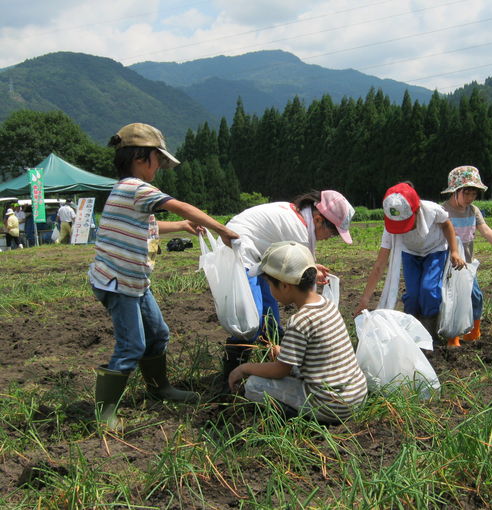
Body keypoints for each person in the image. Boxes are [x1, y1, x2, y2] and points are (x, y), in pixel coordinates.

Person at [89, 122, 240, 428]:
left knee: (158, 334)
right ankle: (104, 413)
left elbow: (150, 226)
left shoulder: (127, 192)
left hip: (134, 282)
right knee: (131, 344)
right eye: (157, 158)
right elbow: (182, 206)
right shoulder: (136, 188)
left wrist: (182, 228)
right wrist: (222, 229)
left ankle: (160, 388)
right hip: (118, 283)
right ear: (141, 157)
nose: (159, 165)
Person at [221, 189, 355, 383]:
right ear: (318, 219)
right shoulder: (300, 230)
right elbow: (295, 267)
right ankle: (232, 376)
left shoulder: (301, 220)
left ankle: (275, 364)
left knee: (271, 320)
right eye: (333, 231)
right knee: (250, 321)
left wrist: (310, 268)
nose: (330, 237)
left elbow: (292, 258)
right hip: (239, 251)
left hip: (260, 254)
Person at [228, 241, 367, 423]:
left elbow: (280, 371)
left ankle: (294, 418)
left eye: (270, 284)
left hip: (331, 407)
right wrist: (284, 354)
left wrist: (243, 368)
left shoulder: (300, 321)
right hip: (357, 396)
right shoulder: (327, 304)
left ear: (285, 285)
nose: (269, 289)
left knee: (254, 385)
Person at [354, 182, 465, 339]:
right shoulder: (390, 229)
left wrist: (454, 251)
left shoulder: (432, 210)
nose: (401, 230)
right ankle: (411, 331)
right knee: (412, 295)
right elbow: (379, 265)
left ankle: (429, 331)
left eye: (405, 224)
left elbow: (447, 225)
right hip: (409, 253)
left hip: (435, 251)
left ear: (417, 210)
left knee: (428, 291)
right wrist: (364, 300)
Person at [441, 165, 492, 347]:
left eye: (473, 194)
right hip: (447, 263)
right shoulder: (443, 211)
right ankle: (452, 337)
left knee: (475, 296)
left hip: (467, 263)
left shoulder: (473, 211)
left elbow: (485, 230)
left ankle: (473, 332)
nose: (470, 198)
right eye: (466, 193)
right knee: (452, 299)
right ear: (455, 191)